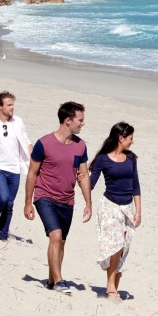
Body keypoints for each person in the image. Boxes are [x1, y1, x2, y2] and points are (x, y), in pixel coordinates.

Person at [23, 101, 92, 294]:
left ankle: (52, 280)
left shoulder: (81, 146)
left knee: (60, 242)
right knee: (55, 235)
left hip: (67, 200)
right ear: (68, 121)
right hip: (45, 196)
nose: (82, 124)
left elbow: (84, 175)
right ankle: (60, 281)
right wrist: (28, 202)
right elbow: (32, 174)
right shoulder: (44, 143)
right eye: (80, 120)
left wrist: (88, 203)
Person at [89, 122, 142, 302]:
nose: (132, 142)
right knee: (116, 245)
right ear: (121, 138)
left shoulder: (131, 159)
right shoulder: (103, 159)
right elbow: (91, 184)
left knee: (123, 248)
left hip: (128, 207)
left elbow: (136, 185)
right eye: (130, 138)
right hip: (109, 206)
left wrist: (138, 212)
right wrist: (79, 178)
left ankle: (114, 277)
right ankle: (111, 287)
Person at [0, 91, 32, 242]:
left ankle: (3, 235)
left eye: (12, 105)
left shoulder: (18, 121)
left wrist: (36, 160)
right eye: (9, 105)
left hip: (15, 168)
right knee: (3, 197)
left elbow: (27, 141)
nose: (12, 108)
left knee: (9, 203)